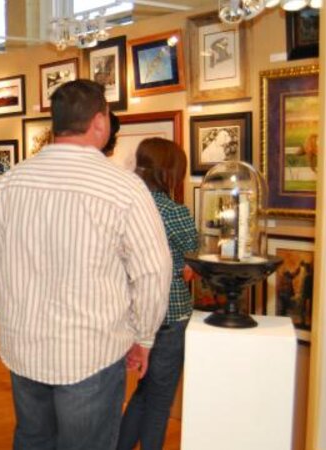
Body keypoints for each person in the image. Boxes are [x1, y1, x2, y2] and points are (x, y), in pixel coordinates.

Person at [0, 80, 171, 450]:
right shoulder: (124, 187)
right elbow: (153, 272)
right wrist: (144, 336)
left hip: (25, 346)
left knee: (33, 439)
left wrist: (11, 323)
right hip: (90, 352)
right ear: (99, 122)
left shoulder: (11, 182)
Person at [117, 137, 199, 450]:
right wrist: (185, 267)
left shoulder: (127, 204)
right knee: (160, 400)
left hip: (133, 311)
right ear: (169, 172)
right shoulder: (173, 211)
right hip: (170, 312)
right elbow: (195, 255)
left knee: (143, 391)